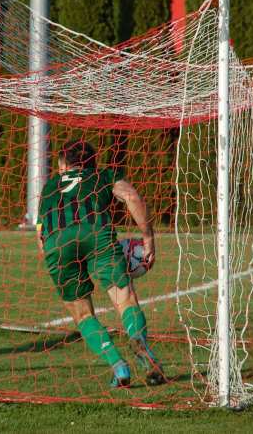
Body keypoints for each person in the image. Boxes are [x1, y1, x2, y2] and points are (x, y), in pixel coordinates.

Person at [36, 139, 165, 387]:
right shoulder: (102, 175)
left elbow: (40, 237)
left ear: (64, 164)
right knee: (125, 299)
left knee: (82, 314)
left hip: (57, 244)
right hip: (96, 235)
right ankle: (140, 345)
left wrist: (57, 258)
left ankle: (118, 366)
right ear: (91, 164)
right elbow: (131, 196)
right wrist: (147, 237)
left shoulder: (49, 187)